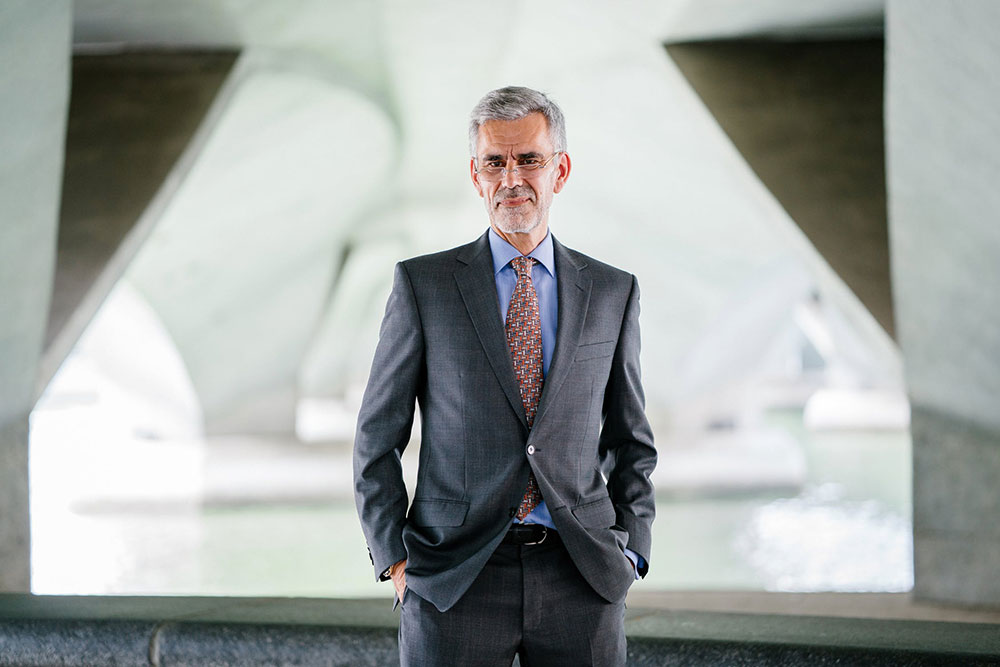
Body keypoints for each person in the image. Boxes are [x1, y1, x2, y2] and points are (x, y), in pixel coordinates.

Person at [353, 85, 656, 666]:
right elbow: (376, 437)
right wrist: (393, 556)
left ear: (560, 170)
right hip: (454, 579)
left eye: (529, 159)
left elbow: (631, 439)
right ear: (476, 174)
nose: (511, 177)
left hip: (582, 576)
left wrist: (631, 550)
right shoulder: (425, 286)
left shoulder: (612, 291)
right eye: (496, 161)